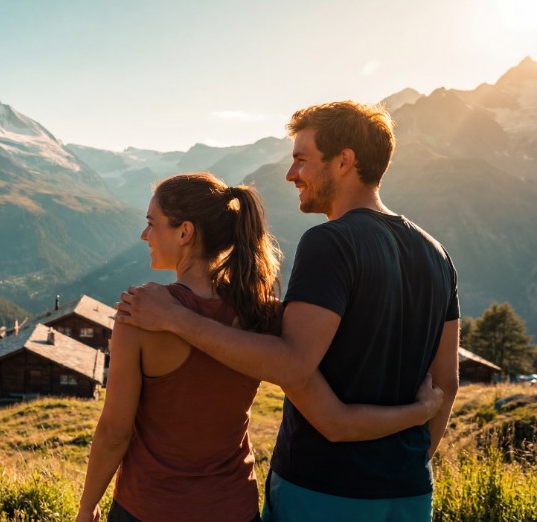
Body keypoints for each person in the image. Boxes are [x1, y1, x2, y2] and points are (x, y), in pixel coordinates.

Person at [116, 102, 459, 521]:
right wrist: (411, 459)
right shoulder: (437, 255)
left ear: (344, 161)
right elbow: (447, 383)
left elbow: (294, 364)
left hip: (322, 489)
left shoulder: (330, 243)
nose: (291, 174)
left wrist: (176, 318)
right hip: (410, 492)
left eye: (301, 160)